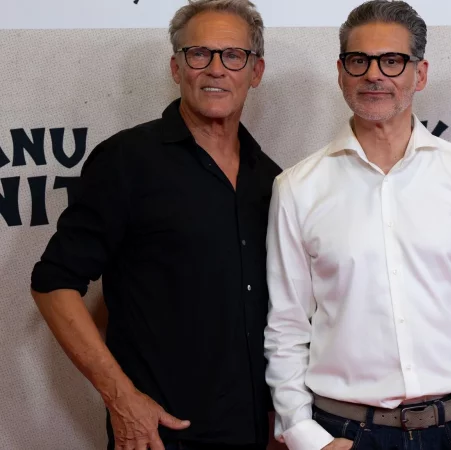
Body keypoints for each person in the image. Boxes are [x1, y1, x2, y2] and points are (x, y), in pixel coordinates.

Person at [264, 1, 451, 449]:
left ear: (420, 73)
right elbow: (286, 327)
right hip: (343, 433)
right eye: (359, 61)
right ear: (341, 73)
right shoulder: (298, 187)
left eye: (392, 61)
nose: (374, 75)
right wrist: (303, 434)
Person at [30, 1, 280, 449]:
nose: (216, 69)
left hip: (254, 433)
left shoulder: (272, 178)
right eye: (198, 53)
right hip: (160, 436)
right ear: (176, 67)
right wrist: (121, 398)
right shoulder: (127, 161)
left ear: (256, 71)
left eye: (233, 55)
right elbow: (52, 284)